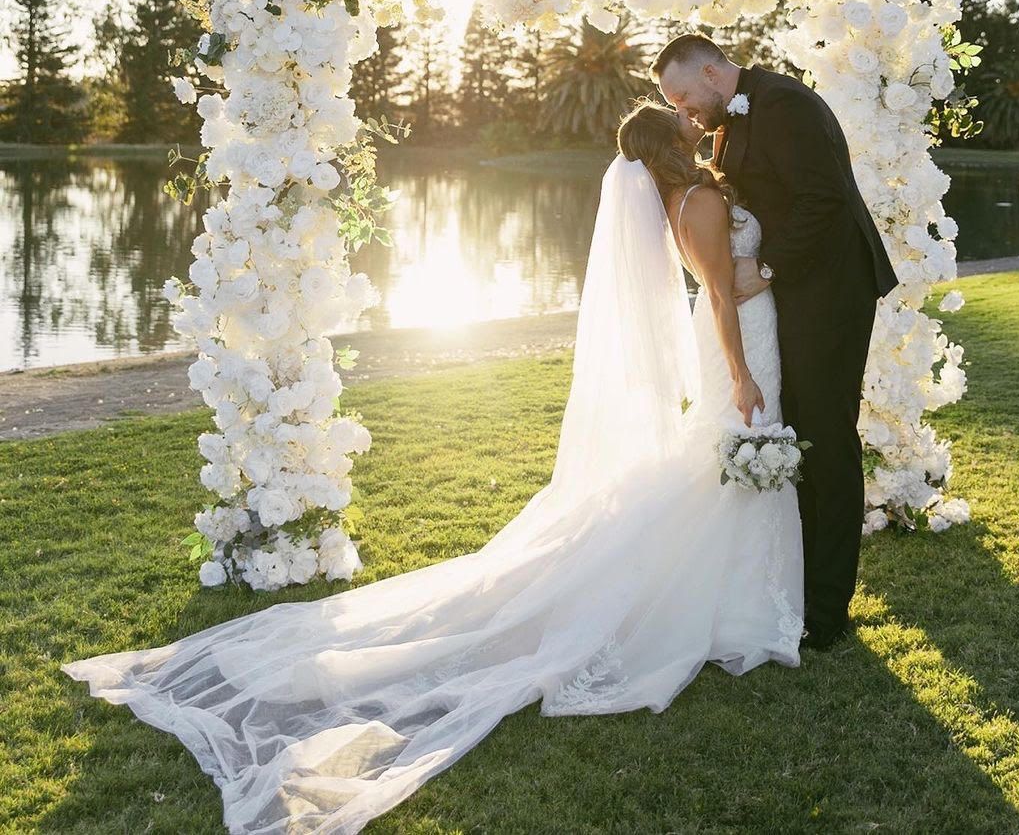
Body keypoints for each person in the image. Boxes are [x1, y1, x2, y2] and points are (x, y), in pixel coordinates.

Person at [62, 107, 802, 835]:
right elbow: (718, 292)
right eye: (680, 122)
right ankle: (735, 606)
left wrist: (755, 281)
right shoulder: (699, 199)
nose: (693, 123)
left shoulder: (687, 195)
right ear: (669, 146)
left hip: (741, 338)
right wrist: (740, 366)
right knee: (726, 455)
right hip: (739, 349)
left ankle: (737, 598)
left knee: (720, 464)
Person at [651, 33, 899, 651]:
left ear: (712, 72)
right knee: (802, 432)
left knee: (827, 435)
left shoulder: (785, 103)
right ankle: (801, 582)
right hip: (795, 292)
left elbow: (825, 199)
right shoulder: (734, 114)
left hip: (831, 292)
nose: (684, 109)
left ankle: (828, 610)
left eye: (683, 94)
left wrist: (765, 269)